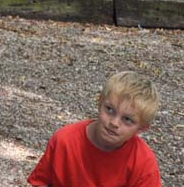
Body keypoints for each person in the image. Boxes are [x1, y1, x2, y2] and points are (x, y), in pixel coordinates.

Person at [27, 70, 163, 187]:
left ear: (142, 128)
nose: (114, 123)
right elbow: (41, 182)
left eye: (127, 119)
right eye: (109, 109)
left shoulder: (144, 163)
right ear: (100, 102)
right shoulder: (65, 141)